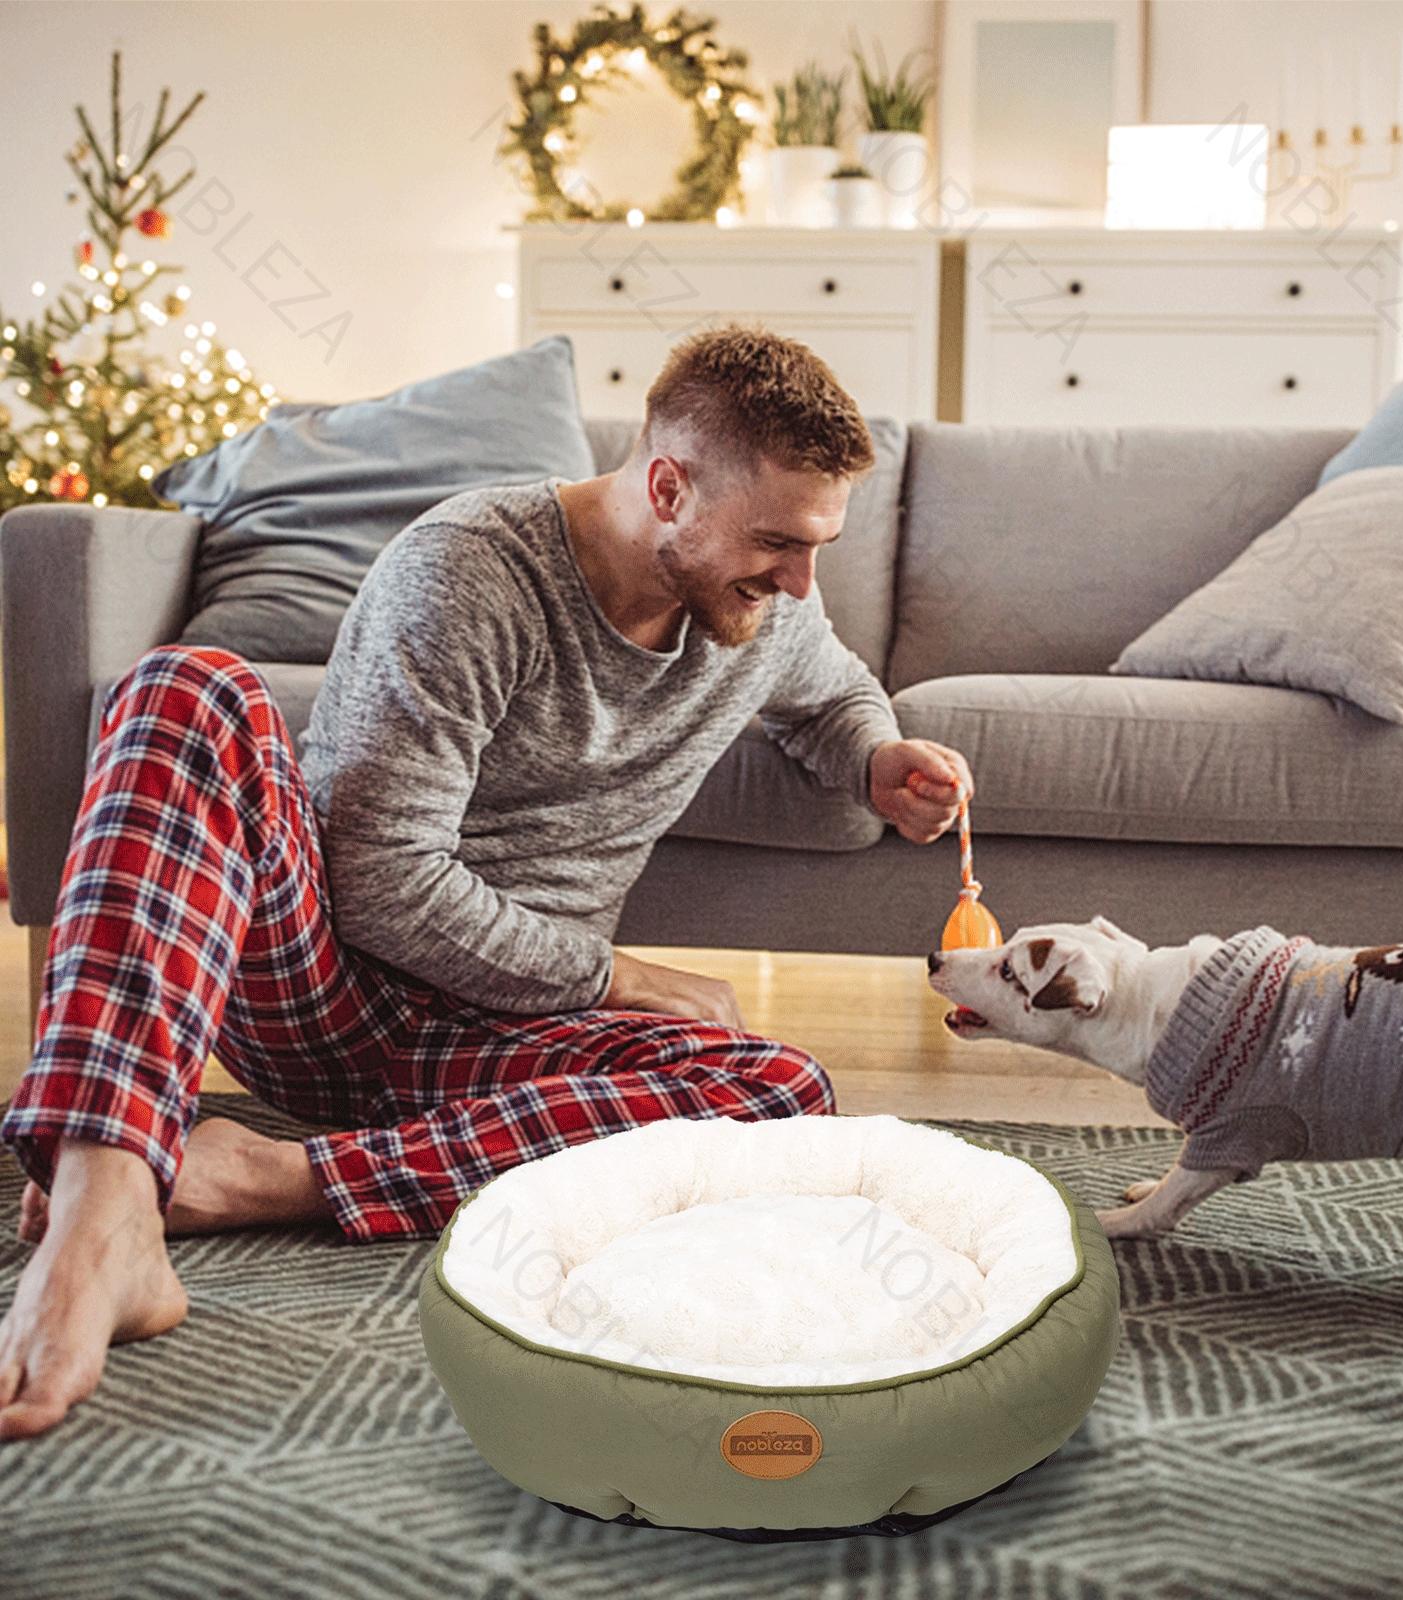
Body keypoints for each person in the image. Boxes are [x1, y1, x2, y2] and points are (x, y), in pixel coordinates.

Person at [0, 324, 975, 1440]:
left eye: (819, 546)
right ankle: (104, 1196)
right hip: (332, 987)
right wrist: (613, 973)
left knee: (778, 1092)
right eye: (777, 543)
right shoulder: (470, 569)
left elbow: (832, 684)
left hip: (507, 1050)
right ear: (666, 486)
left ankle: (269, 1174)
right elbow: (376, 880)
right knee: (187, 689)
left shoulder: (764, 608)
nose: (802, 582)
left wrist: (873, 752)